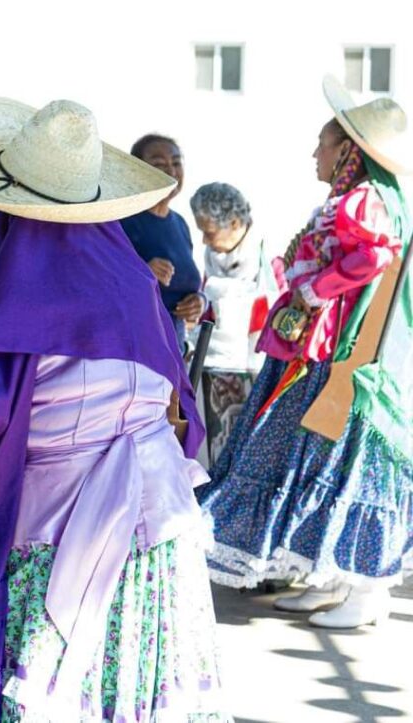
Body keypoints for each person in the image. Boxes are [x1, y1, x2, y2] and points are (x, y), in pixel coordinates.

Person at [0, 96, 227, 720]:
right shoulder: (133, 284)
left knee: (50, 690)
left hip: (58, 530)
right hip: (160, 528)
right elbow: (174, 402)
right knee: (139, 689)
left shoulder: (2, 303)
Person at [197, 76, 412, 629]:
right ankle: (332, 575)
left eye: (322, 142)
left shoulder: (364, 201)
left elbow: (374, 258)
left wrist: (319, 288)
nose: (313, 152)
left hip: (336, 359)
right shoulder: (354, 198)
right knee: (310, 455)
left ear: (347, 150)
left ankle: (364, 586)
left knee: (338, 460)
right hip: (317, 350)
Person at [190, 181, 277, 463]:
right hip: (211, 367)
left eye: (209, 232)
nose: (204, 241)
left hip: (253, 370)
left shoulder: (269, 260)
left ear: (236, 223)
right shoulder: (212, 259)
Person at [120, 133, 203, 349]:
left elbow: (191, 282)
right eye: (159, 164)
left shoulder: (180, 224)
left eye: (176, 163)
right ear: (136, 170)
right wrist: (141, 271)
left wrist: (199, 302)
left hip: (174, 348)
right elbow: (96, 280)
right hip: (132, 348)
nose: (171, 171)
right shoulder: (119, 220)